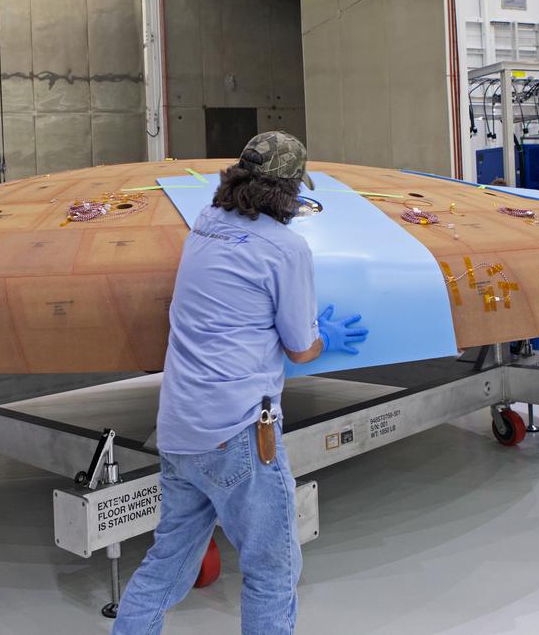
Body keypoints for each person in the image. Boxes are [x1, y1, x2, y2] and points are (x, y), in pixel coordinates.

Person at [113, 132, 369, 635]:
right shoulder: (287, 249)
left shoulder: (203, 227)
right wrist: (325, 337)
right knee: (273, 570)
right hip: (240, 433)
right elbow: (300, 348)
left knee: (168, 564)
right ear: (290, 191)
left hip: (180, 429)